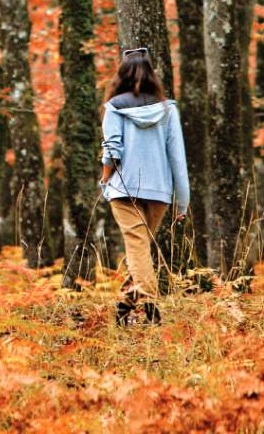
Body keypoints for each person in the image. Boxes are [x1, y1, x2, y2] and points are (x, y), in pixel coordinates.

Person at [99, 47, 190, 324]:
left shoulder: (114, 108)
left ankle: (150, 306)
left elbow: (113, 151)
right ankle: (124, 306)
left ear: (121, 75)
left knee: (137, 248)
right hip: (159, 192)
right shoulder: (168, 110)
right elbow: (178, 157)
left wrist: (105, 178)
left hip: (124, 190)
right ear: (152, 75)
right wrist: (182, 200)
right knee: (140, 248)